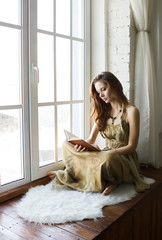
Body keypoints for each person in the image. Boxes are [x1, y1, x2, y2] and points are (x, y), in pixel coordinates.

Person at [48, 72, 150, 195]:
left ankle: (112, 181)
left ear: (115, 85)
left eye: (104, 89)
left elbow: (132, 146)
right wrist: (82, 146)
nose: (101, 95)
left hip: (123, 157)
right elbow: (91, 139)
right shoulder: (103, 112)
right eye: (98, 92)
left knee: (107, 158)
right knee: (66, 144)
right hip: (105, 153)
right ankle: (71, 174)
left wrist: (109, 152)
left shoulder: (132, 111)